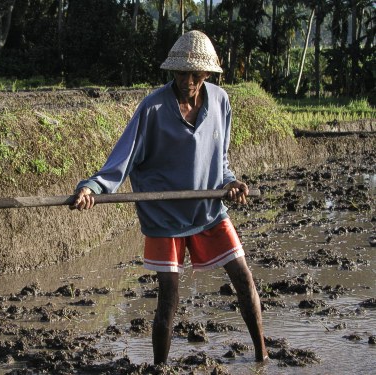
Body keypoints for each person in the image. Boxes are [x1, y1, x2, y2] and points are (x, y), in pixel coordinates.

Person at [72, 30, 268, 364]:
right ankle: (160, 368)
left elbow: (221, 161)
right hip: (164, 217)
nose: (188, 80)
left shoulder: (220, 102)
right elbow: (124, 156)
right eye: (181, 73)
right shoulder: (153, 108)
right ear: (172, 72)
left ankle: (262, 356)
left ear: (206, 74)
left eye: (195, 74)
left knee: (243, 276)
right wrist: (92, 187)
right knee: (169, 297)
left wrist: (232, 183)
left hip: (208, 209)